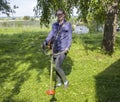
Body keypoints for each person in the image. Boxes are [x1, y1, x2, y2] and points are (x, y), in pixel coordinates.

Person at [42, 9, 72, 88]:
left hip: (63, 49)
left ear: (64, 15)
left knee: (57, 66)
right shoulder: (54, 25)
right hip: (55, 48)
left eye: (61, 14)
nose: (59, 16)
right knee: (56, 65)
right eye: (58, 14)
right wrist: (45, 42)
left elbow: (69, 38)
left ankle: (66, 81)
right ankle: (59, 83)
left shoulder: (68, 24)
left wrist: (68, 47)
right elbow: (50, 34)